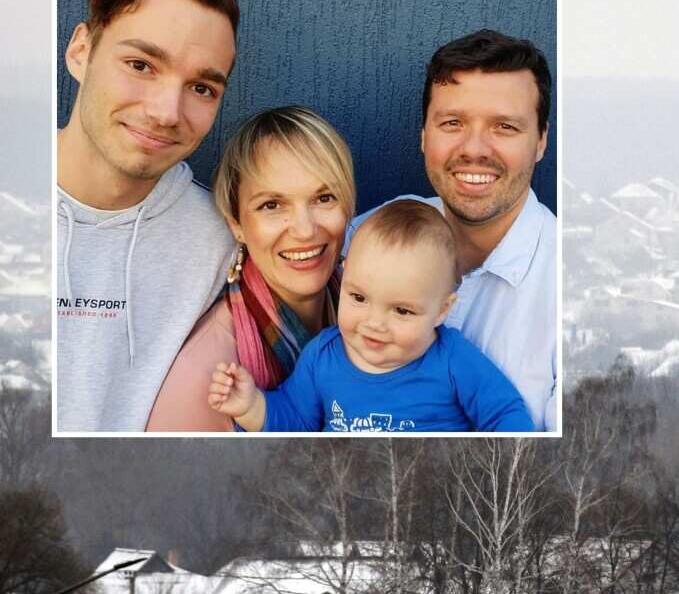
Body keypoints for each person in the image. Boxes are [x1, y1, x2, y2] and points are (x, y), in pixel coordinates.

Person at [56, 0, 240, 432]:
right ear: (81, 51)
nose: (166, 112)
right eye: (140, 65)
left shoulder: (221, 244)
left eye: (202, 88)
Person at [345, 29, 558, 431]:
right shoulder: (370, 235)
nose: (474, 149)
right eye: (453, 122)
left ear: (542, 141)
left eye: (504, 127)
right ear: (424, 135)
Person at [209, 200, 533, 432]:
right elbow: (294, 419)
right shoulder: (323, 357)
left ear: (442, 310)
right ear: (345, 275)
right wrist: (252, 406)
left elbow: (506, 414)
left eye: (402, 310)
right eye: (359, 298)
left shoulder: (453, 360)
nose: (374, 323)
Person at [146, 106, 355, 431]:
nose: (304, 230)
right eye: (272, 205)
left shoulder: (370, 314)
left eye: (324, 198)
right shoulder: (206, 378)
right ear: (236, 224)